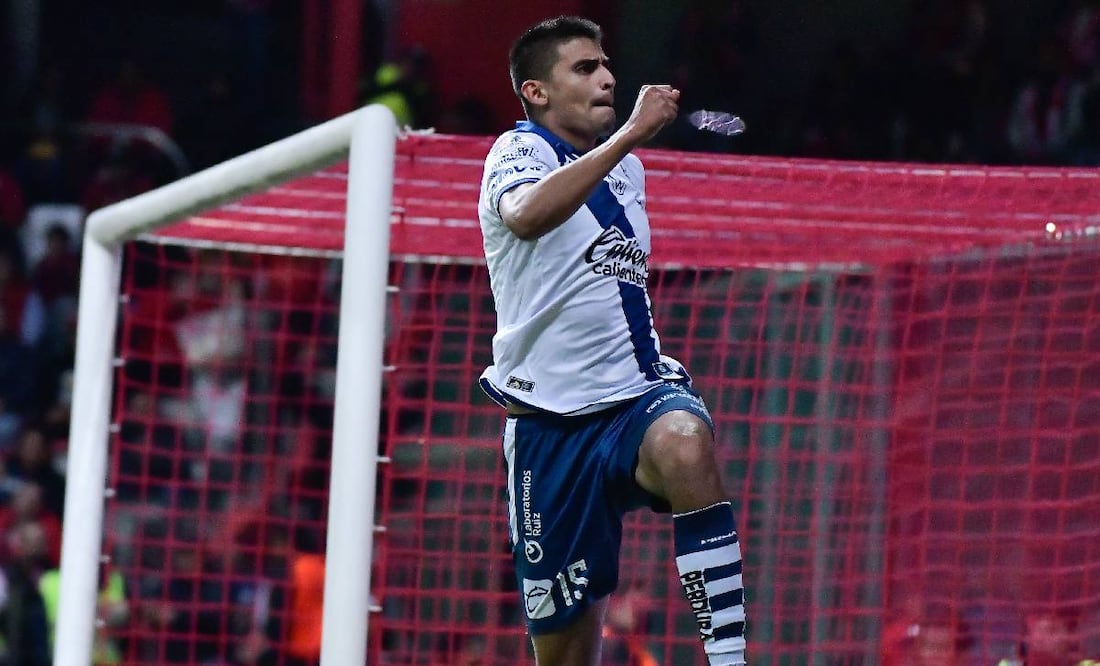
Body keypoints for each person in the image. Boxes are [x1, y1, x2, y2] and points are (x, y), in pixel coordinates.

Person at [477, 16, 747, 666]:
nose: (608, 78)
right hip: (548, 429)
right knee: (567, 657)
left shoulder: (629, 172)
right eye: (585, 68)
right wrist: (628, 135)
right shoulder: (518, 154)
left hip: (631, 402)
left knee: (685, 444)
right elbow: (527, 215)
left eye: (606, 66)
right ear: (537, 92)